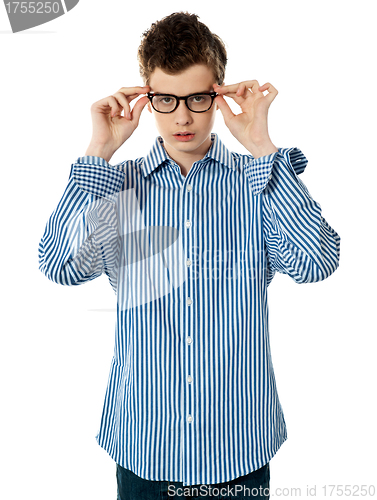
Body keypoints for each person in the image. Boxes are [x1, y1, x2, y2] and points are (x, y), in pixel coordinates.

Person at [38, 11, 341, 500]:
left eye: (198, 99)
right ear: (147, 97)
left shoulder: (255, 181)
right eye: (167, 99)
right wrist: (98, 153)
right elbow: (61, 266)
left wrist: (262, 148)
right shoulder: (120, 187)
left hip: (237, 451)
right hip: (145, 448)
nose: (182, 117)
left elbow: (316, 262)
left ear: (219, 95)